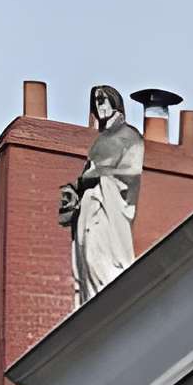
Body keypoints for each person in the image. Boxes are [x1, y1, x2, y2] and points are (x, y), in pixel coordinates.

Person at [60, 83, 141, 300]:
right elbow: (91, 170)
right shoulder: (101, 140)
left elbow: (122, 171)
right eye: (96, 101)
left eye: (103, 99)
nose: (99, 105)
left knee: (101, 260)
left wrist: (86, 178)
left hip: (108, 206)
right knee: (88, 257)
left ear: (115, 102)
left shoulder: (127, 134)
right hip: (90, 206)